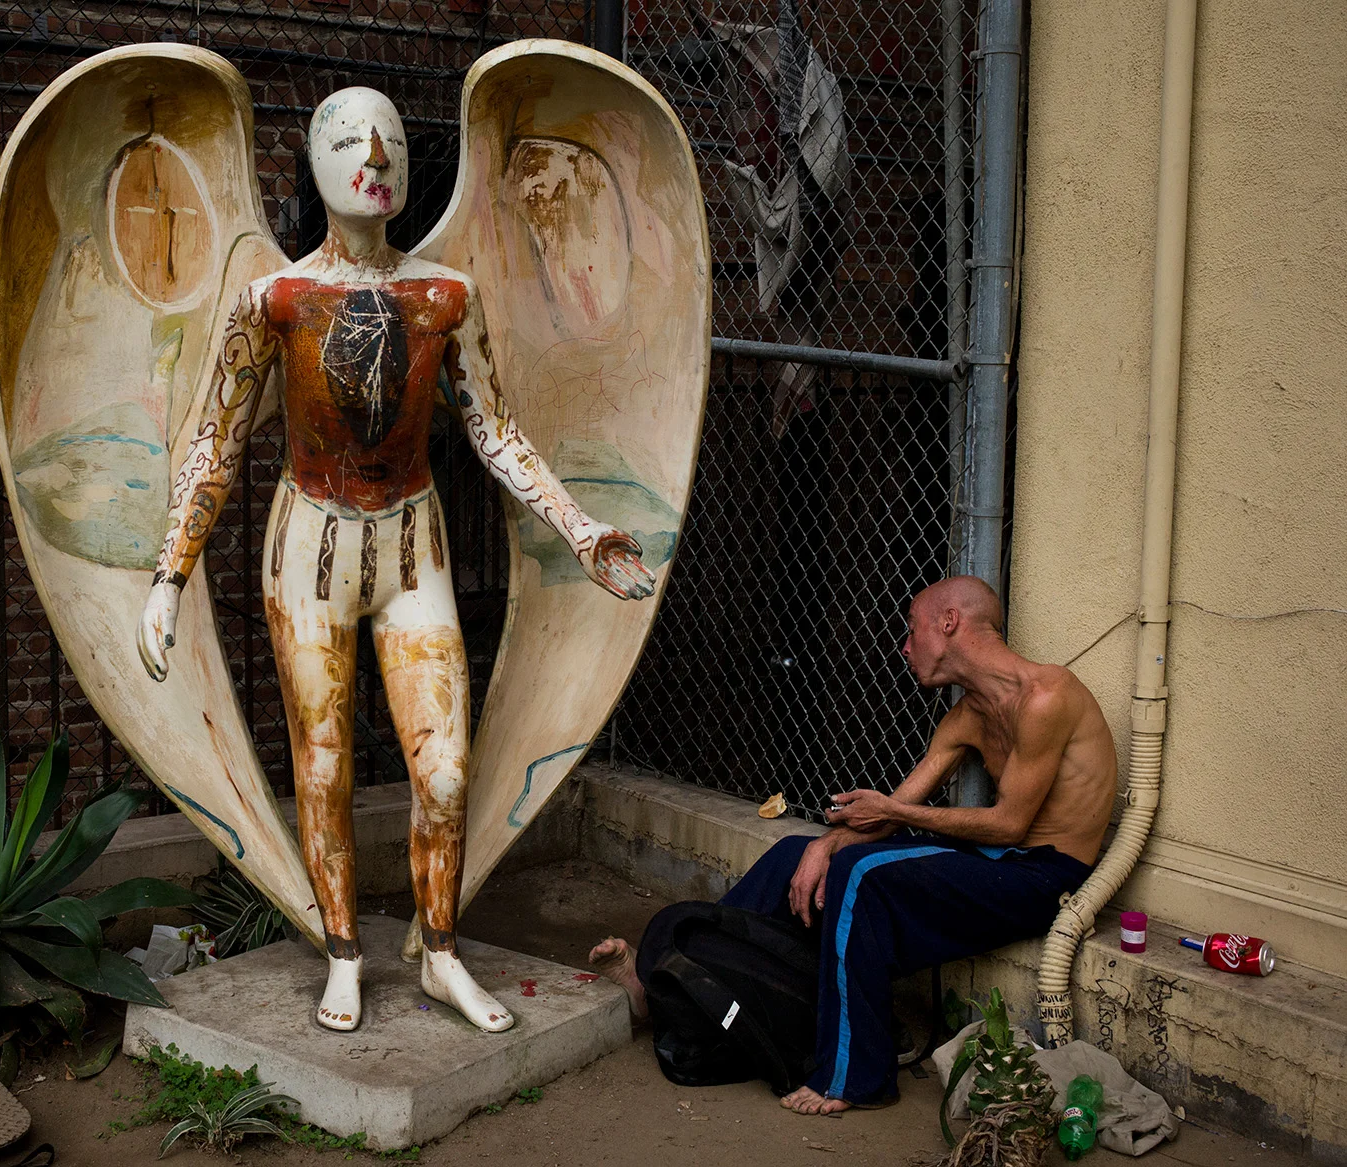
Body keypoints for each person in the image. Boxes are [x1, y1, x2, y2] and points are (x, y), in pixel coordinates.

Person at [138, 86, 655, 1035]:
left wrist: (581, 529)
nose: (372, 153)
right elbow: (212, 441)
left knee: (446, 772)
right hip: (309, 550)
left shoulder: (446, 296)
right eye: (346, 138)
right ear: (317, 162)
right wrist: (172, 574)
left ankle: (439, 953)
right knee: (324, 763)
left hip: (413, 547)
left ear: (411, 168)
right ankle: (344, 953)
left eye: (388, 141)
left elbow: (494, 431)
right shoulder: (275, 300)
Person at [589, 575, 1116, 1113]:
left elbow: (1008, 826)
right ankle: (668, 978)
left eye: (912, 630)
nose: (905, 647)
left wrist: (885, 816)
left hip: (1041, 873)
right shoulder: (967, 718)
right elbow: (896, 809)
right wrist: (828, 843)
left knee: (860, 875)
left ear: (949, 622)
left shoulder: (1047, 697)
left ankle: (855, 1076)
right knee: (791, 857)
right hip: (990, 859)